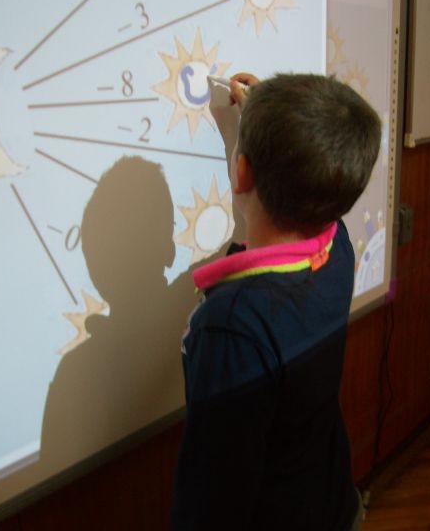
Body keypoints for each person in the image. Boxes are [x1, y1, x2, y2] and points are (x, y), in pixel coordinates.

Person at [169, 72, 381, 531]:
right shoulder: (337, 248)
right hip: (332, 502)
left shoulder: (231, 324)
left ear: (242, 171)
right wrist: (260, 125)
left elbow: (211, 503)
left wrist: (258, 131)